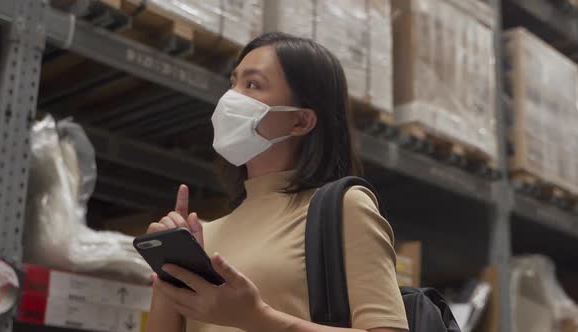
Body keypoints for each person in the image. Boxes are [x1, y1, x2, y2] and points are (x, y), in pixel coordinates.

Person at [144, 32, 409, 332]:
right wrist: (170, 270)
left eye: (253, 84)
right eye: (233, 83)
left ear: (301, 121)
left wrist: (258, 318)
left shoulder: (344, 208)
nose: (231, 98)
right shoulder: (206, 234)